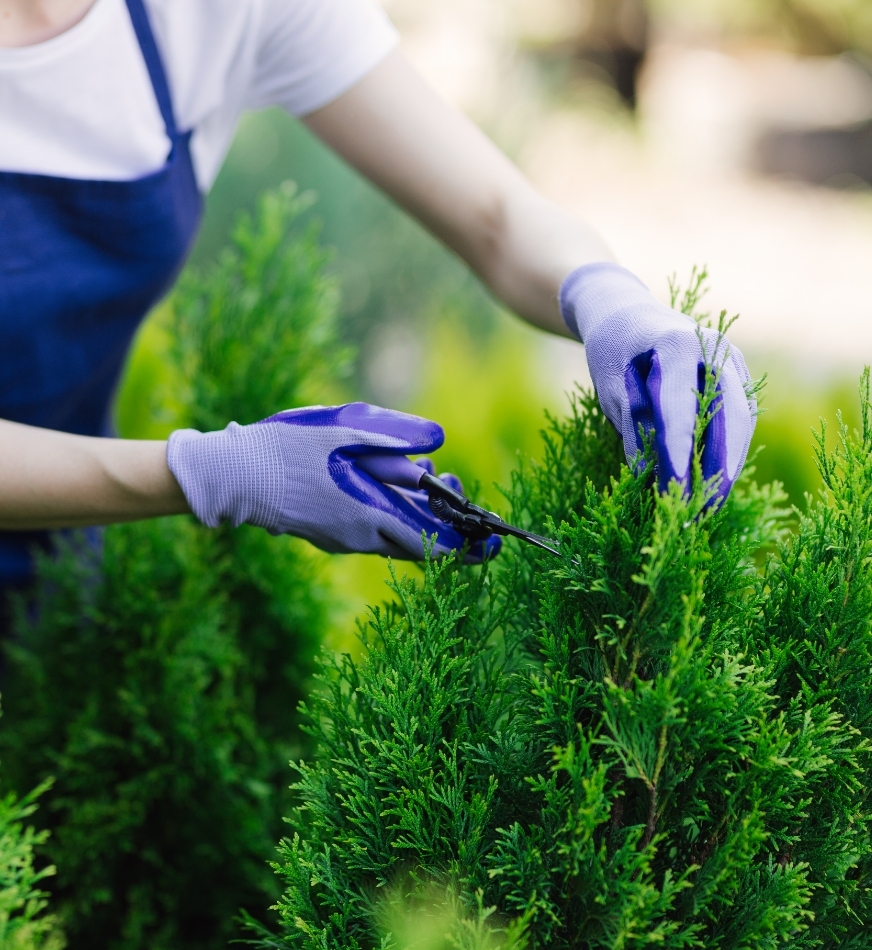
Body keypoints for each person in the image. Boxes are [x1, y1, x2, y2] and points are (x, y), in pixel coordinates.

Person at [0, 0, 756, 590]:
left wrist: (608, 299)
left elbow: (496, 215)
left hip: (59, 582)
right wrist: (210, 471)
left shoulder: (208, 15)